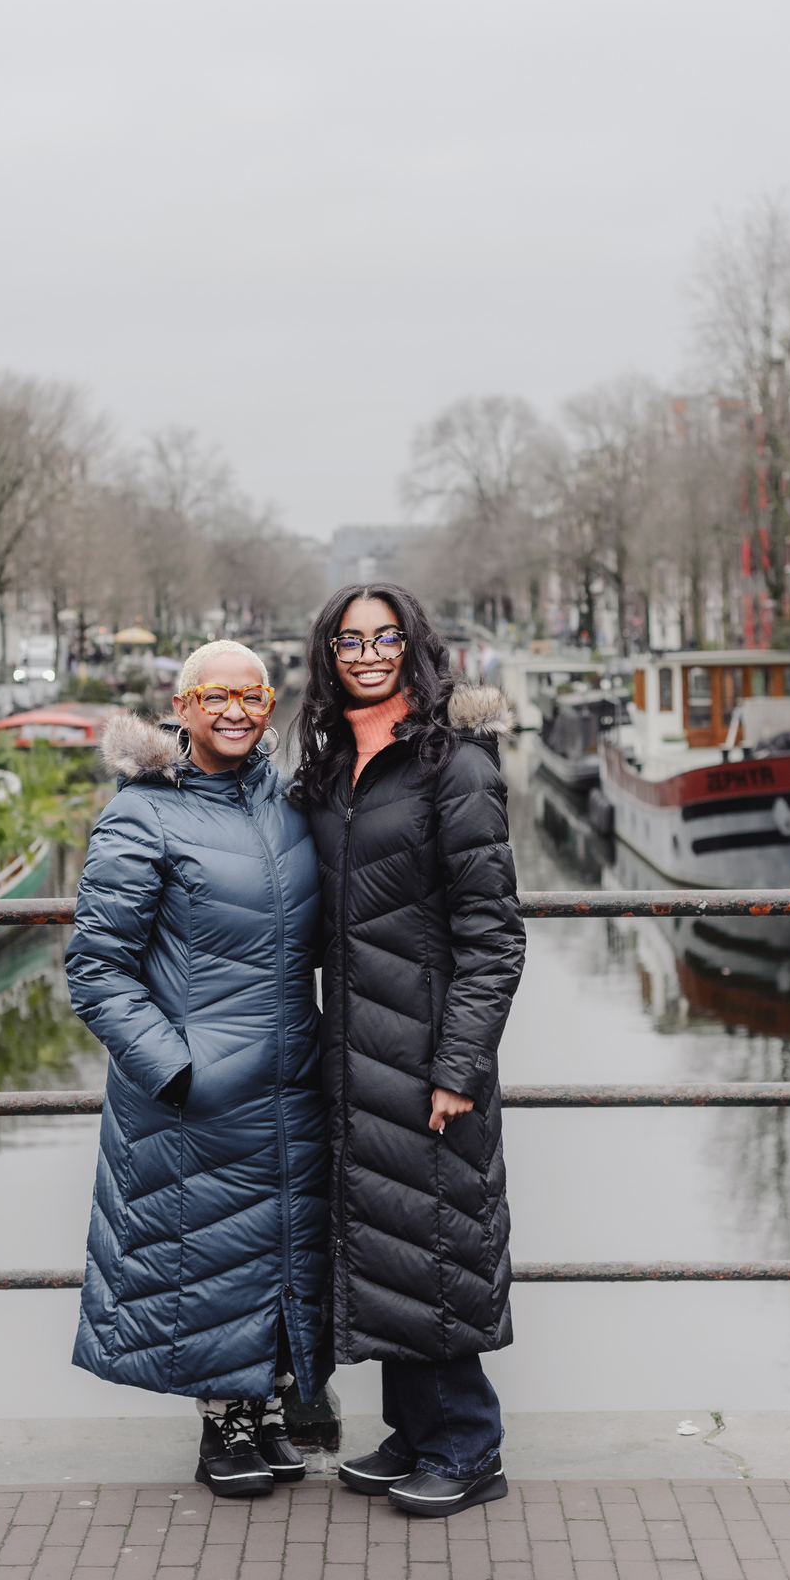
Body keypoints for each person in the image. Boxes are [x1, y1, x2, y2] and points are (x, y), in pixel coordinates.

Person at [65, 640, 329, 1499]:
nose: (234, 710)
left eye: (251, 696)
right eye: (213, 695)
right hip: (199, 1088)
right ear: (180, 709)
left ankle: (269, 1406)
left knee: (279, 1245)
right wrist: (175, 1070)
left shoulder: (287, 804)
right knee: (207, 1254)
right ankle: (224, 1430)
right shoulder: (142, 814)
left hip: (290, 1076)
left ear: (269, 706)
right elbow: (97, 966)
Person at [291, 584, 525, 1517]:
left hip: (429, 1055)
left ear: (414, 647)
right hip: (354, 1055)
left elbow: (494, 934)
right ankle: (416, 1430)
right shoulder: (329, 768)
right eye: (351, 640)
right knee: (388, 1241)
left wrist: (459, 1068)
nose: (369, 651)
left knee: (436, 1244)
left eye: (386, 637)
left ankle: (470, 1447)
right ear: (329, 655)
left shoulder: (454, 766)